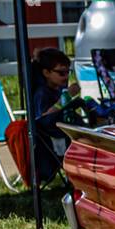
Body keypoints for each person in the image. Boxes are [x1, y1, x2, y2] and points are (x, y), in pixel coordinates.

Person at [28, 48, 82, 186]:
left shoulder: (56, 90)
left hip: (61, 134)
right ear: (46, 73)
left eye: (68, 72)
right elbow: (44, 117)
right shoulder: (41, 94)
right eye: (61, 72)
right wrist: (67, 97)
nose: (66, 76)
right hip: (51, 140)